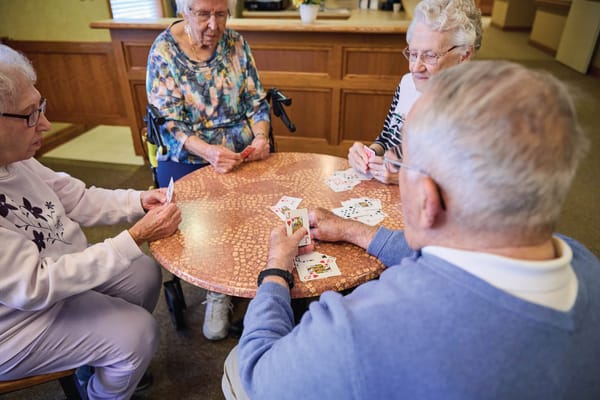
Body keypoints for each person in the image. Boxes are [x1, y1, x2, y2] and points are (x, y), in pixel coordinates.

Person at [222, 60, 600, 399]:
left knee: (235, 364)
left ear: (426, 198)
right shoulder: (586, 264)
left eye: (401, 162)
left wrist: (275, 270)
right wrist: (356, 231)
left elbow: (260, 372)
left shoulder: (357, 331)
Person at [0, 44, 182, 399]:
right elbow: (36, 285)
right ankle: (102, 388)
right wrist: (133, 237)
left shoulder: (17, 158)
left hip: (56, 282)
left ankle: (103, 359)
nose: (46, 124)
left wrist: (138, 201)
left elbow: (77, 197)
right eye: (30, 115)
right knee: (139, 333)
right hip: (15, 324)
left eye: (41, 107)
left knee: (143, 272)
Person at [146, 0, 271, 340]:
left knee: (269, 205)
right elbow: (167, 124)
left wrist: (261, 137)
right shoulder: (164, 52)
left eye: (221, 14)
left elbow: (256, 101)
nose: (214, 25)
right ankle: (219, 289)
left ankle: (262, 277)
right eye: (203, 14)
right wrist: (208, 152)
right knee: (213, 215)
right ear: (183, 11)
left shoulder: (236, 43)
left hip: (241, 152)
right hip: (187, 155)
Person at [348, 0, 482, 185]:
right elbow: (387, 137)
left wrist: (406, 177)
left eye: (430, 55)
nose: (415, 67)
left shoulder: (478, 109)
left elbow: (471, 186)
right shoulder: (407, 84)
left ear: (464, 55)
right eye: (413, 54)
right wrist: (369, 154)